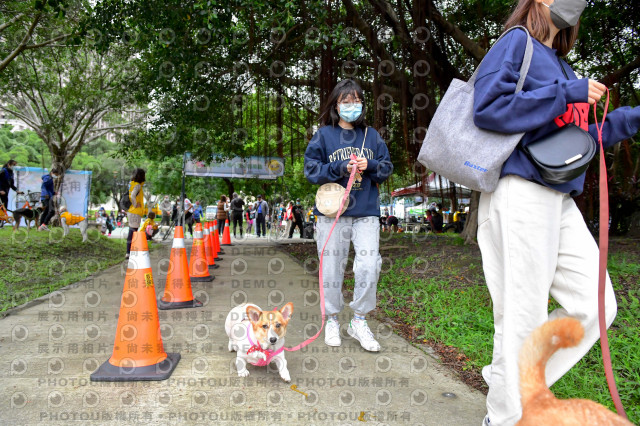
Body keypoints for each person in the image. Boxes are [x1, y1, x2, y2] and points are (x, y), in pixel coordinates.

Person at [472, 1, 640, 424]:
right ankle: (506, 415)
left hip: (559, 197)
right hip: (521, 191)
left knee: (595, 302)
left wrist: (634, 118)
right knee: (523, 315)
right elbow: (487, 108)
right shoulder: (517, 43)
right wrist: (567, 93)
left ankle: (505, 378)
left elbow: (580, 139)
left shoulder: (563, 67)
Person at [304, 79, 393, 352]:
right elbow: (311, 171)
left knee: (369, 265)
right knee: (331, 268)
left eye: (356, 101)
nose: (351, 106)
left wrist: (372, 164)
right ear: (335, 104)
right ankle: (331, 318)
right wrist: (341, 166)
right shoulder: (323, 136)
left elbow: (387, 168)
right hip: (333, 213)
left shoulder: (372, 136)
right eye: (345, 101)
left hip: (365, 211)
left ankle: (359, 319)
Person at [125, 168, 146, 259]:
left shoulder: (131, 184)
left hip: (131, 211)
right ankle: (129, 252)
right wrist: (135, 204)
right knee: (133, 232)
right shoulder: (137, 185)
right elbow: (133, 195)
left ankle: (130, 251)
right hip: (135, 212)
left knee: (132, 231)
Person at [0, 160, 23, 227]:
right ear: (9, 164)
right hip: (1, 192)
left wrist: (16, 190)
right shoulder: (3, 171)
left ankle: (1, 224)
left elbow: (11, 184)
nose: (14, 166)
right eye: (13, 165)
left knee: (4, 208)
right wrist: (0, 190)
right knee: (1, 208)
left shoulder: (11, 173)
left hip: (5, 193)